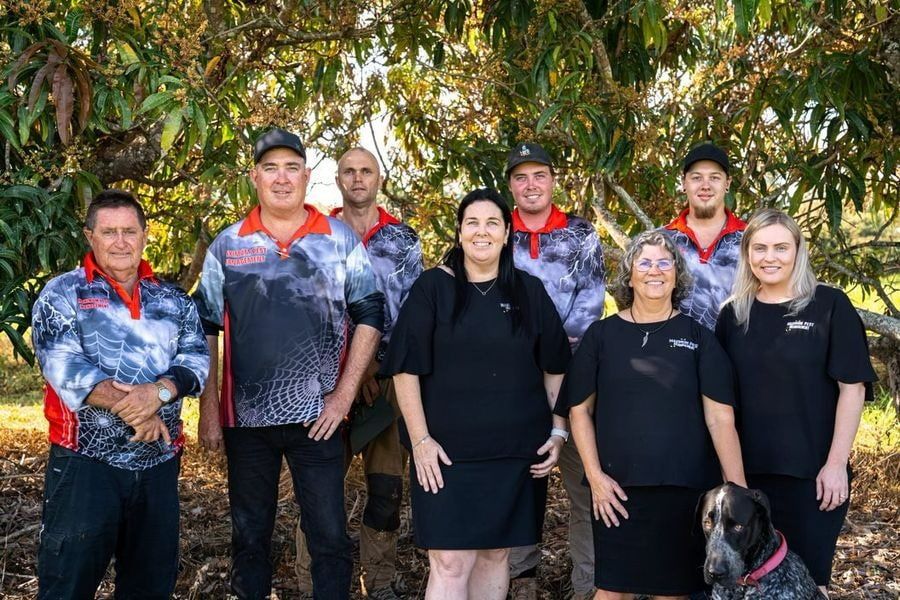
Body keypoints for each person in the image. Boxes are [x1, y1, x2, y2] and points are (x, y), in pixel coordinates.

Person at [193, 128, 385, 600]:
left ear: (307, 175)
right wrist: (209, 410)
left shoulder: (338, 239)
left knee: (329, 538)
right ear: (255, 177)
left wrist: (342, 397)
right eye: (271, 168)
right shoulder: (228, 245)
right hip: (246, 421)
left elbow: (371, 314)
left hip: (317, 419)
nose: (282, 179)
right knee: (249, 537)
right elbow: (205, 329)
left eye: (292, 167)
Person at [381, 188, 571, 599]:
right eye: (472, 223)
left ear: (506, 234)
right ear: (459, 232)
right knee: (450, 560)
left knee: (494, 554)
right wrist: (420, 440)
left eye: (492, 223)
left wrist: (558, 431)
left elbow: (555, 366)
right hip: (445, 453)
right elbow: (404, 368)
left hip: (515, 451)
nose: (481, 232)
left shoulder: (528, 291)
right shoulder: (433, 288)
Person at [31, 189, 210, 599]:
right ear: (89, 236)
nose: (120, 242)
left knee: (150, 585)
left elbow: (197, 360)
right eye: (109, 232)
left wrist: (160, 393)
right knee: (67, 585)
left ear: (146, 234)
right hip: (84, 465)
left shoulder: (173, 300)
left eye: (130, 231)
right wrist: (143, 409)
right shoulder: (62, 294)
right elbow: (65, 368)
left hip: (158, 466)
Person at [565, 230, 746, 600]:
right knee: (612, 591)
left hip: (684, 492)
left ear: (677, 275)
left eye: (665, 262)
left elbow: (720, 420)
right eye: (644, 262)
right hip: (615, 491)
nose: (655, 270)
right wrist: (596, 477)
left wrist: (737, 492)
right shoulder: (601, 336)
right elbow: (579, 411)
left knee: (672, 593)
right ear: (629, 274)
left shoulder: (698, 337)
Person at [715, 208, 876, 595]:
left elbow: (852, 389)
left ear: (799, 251)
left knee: (809, 583)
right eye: (760, 248)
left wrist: (836, 464)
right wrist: (732, 482)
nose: (770, 257)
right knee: (746, 584)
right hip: (748, 479)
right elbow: (720, 406)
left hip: (813, 477)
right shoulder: (732, 315)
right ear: (747, 254)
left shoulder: (829, 305)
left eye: (781, 248)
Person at [294, 147, 424, 600]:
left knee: (386, 489)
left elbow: (411, 317)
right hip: (322, 384)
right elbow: (302, 312)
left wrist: (373, 365)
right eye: (348, 171)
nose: (357, 178)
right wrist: (344, 371)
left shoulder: (404, 241)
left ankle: (381, 581)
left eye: (366, 170)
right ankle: (311, 582)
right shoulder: (315, 235)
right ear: (337, 179)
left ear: (379, 179)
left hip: (386, 384)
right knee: (317, 489)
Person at [506, 142, 606, 600]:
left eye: (539, 175)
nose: (531, 185)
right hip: (507, 383)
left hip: (574, 380)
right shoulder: (492, 230)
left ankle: (588, 582)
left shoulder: (581, 235)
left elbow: (589, 307)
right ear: (511, 185)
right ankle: (520, 576)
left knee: (584, 481)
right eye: (521, 177)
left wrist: (554, 361)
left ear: (552, 180)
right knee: (517, 483)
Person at [663, 142, 746, 330]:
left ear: (727, 184)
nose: (705, 185)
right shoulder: (660, 241)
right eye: (696, 178)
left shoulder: (753, 240)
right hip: (674, 354)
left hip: (736, 355)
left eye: (715, 178)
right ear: (684, 183)